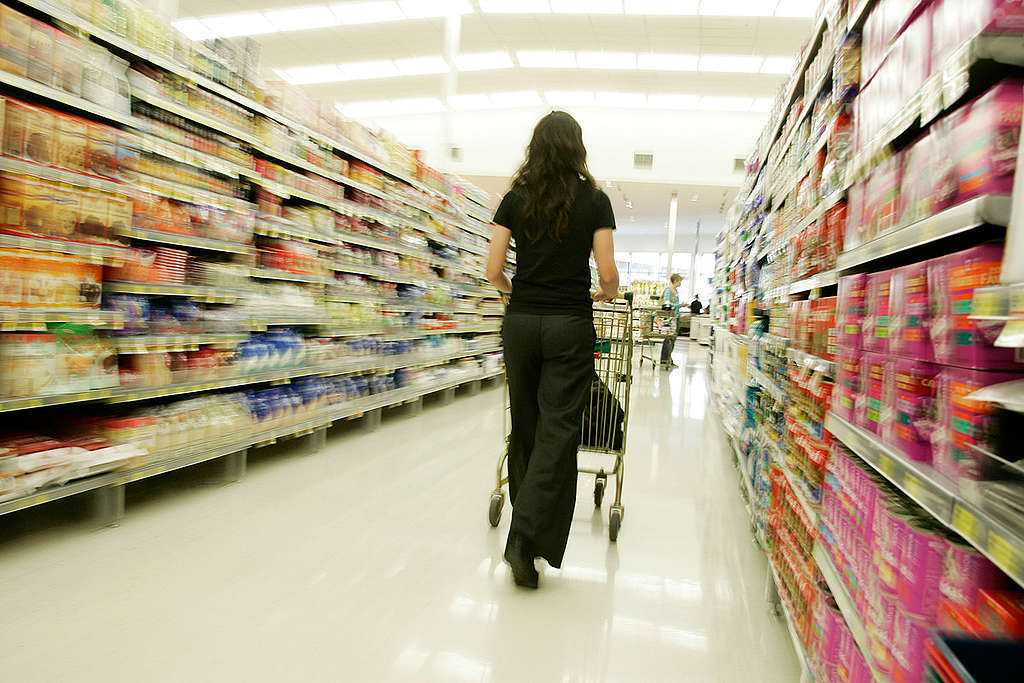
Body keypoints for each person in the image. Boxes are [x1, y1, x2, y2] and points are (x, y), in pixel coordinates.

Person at [485, 111, 619, 589]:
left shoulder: (515, 197)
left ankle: (528, 536)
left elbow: (493, 267)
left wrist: (510, 291)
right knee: (558, 430)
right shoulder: (596, 201)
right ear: (576, 148)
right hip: (568, 324)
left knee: (525, 424)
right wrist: (606, 293)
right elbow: (605, 275)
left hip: (520, 323)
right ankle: (525, 539)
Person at [659, 274, 682, 369]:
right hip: (670, 318)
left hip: (675, 316)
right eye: (679, 281)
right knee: (669, 338)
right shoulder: (669, 290)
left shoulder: (675, 291)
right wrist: (679, 305)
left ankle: (668, 359)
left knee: (672, 339)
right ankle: (665, 359)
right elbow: (667, 304)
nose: (680, 283)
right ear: (675, 281)